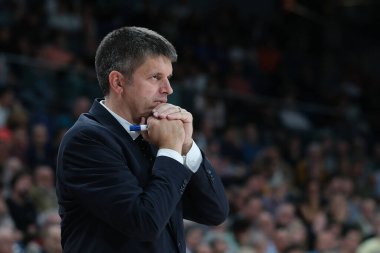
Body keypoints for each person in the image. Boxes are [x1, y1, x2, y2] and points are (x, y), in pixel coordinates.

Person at [56, 26, 229, 252]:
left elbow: (214, 212)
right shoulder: (87, 140)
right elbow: (144, 223)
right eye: (156, 77)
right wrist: (170, 149)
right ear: (117, 82)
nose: (168, 89)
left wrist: (186, 145)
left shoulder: (157, 133)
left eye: (168, 78)